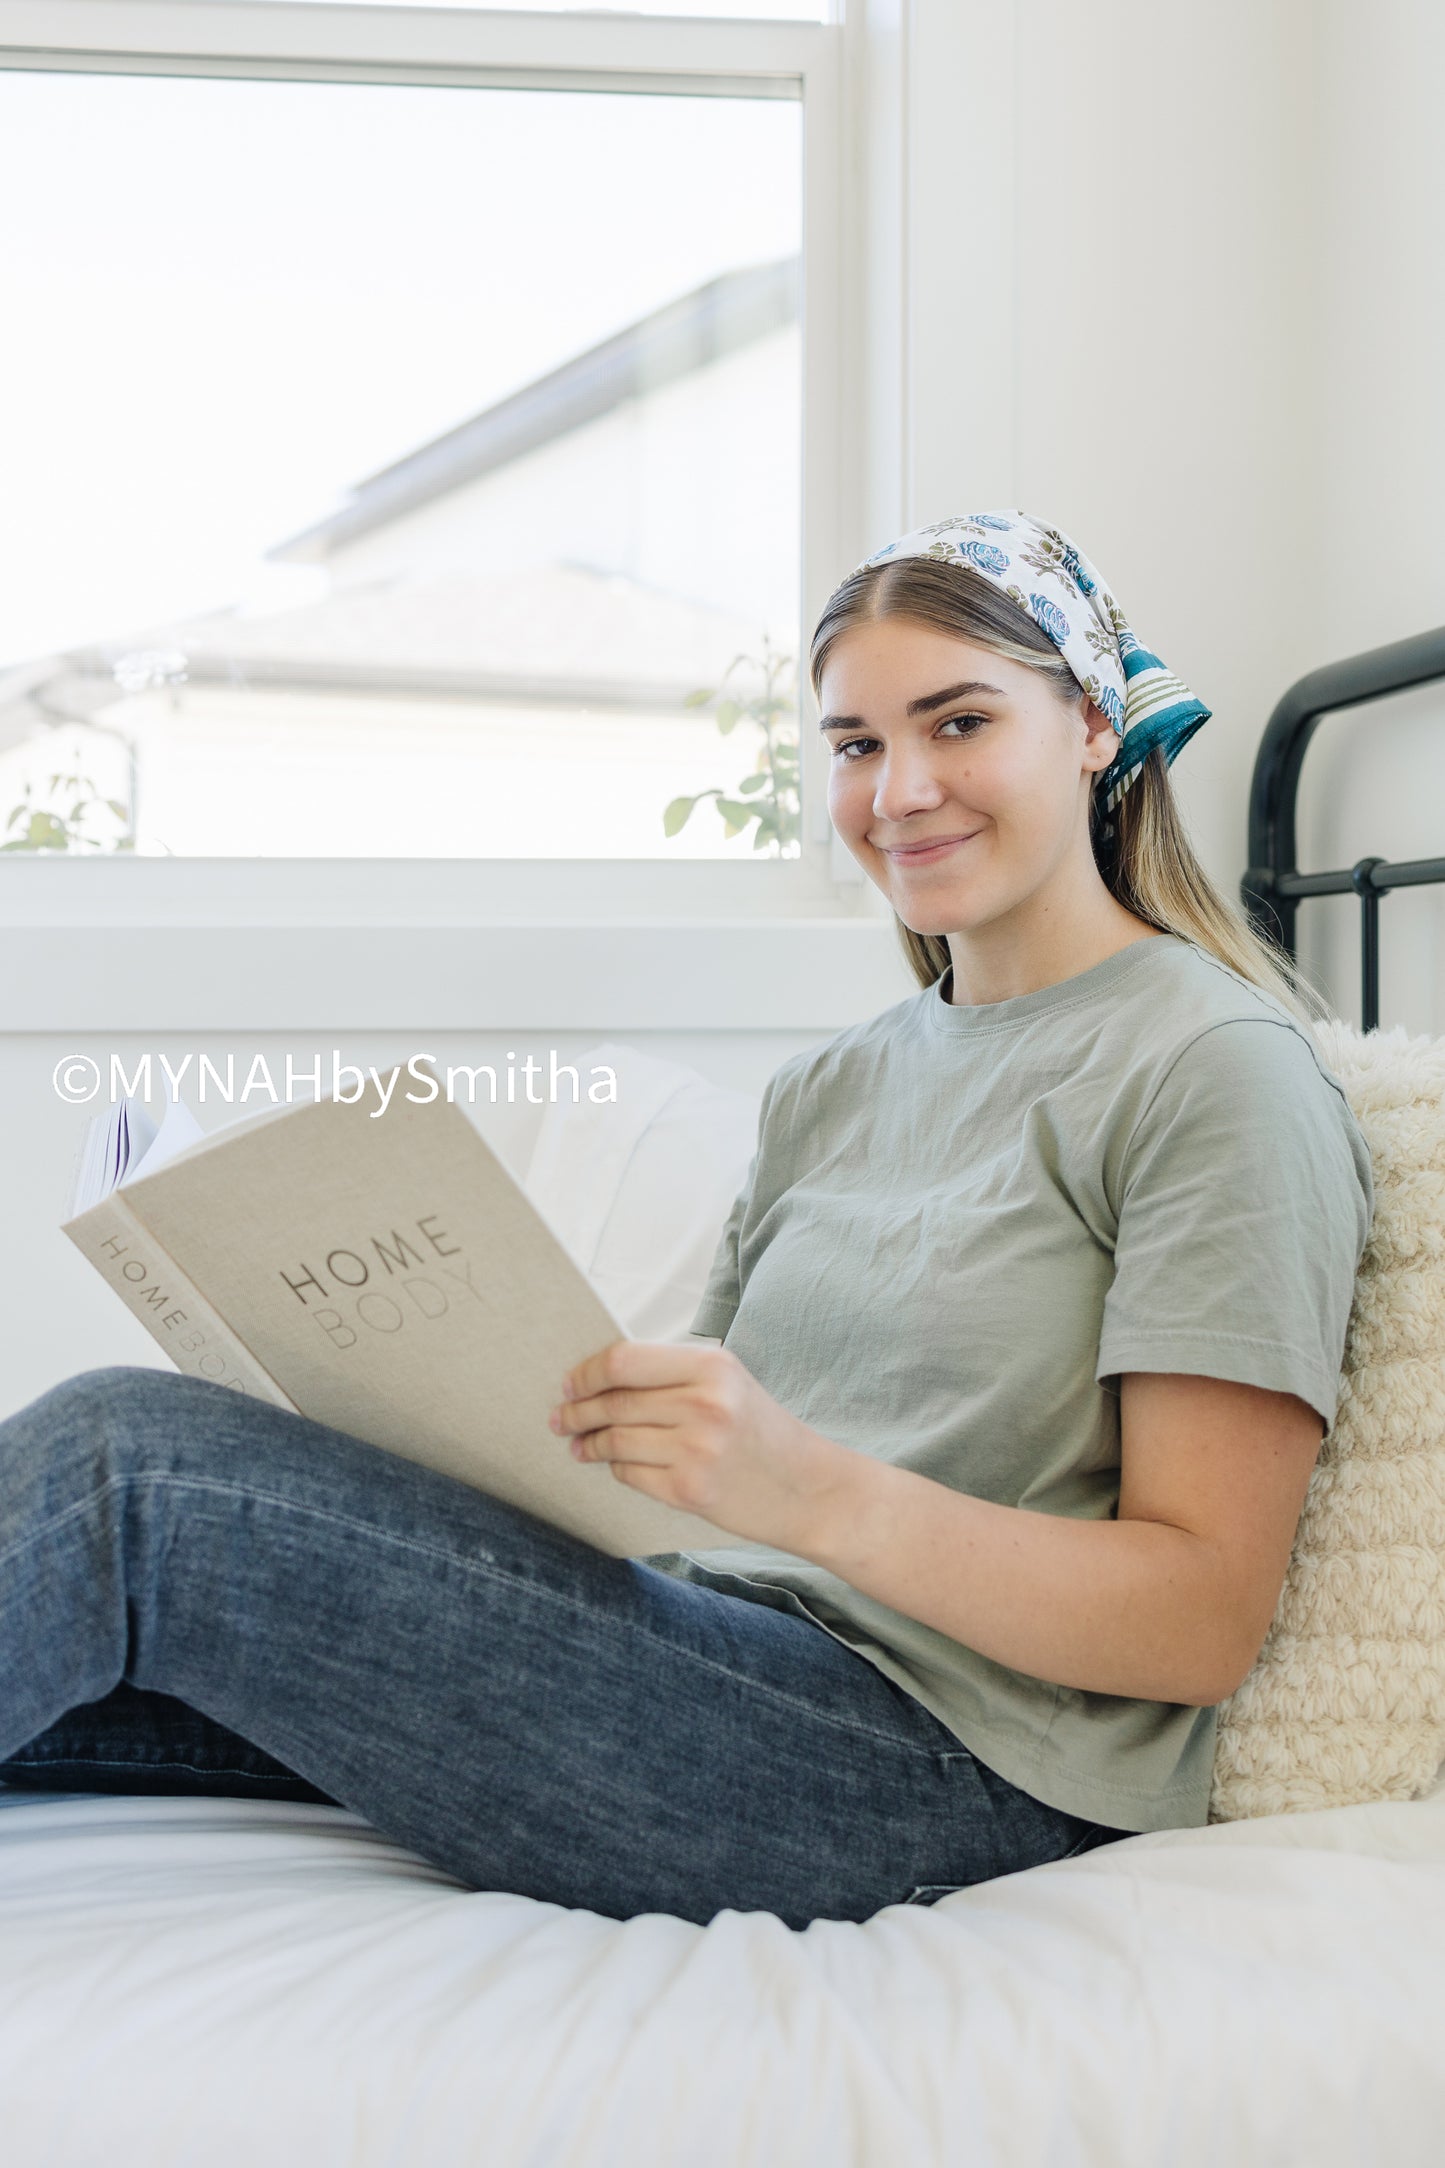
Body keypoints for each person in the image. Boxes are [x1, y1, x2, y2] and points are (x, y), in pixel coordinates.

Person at [0, 511, 1373, 1930]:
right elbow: (690, 1496)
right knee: (91, 1620)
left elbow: (1200, 1619)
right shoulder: (833, 1087)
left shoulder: (1210, 1071)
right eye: (852, 744)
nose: (898, 789)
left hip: (935, 1763)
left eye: (956, 722)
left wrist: (807, 1491)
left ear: (1089, 726)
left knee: (125, 1470)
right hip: (705, 1652)